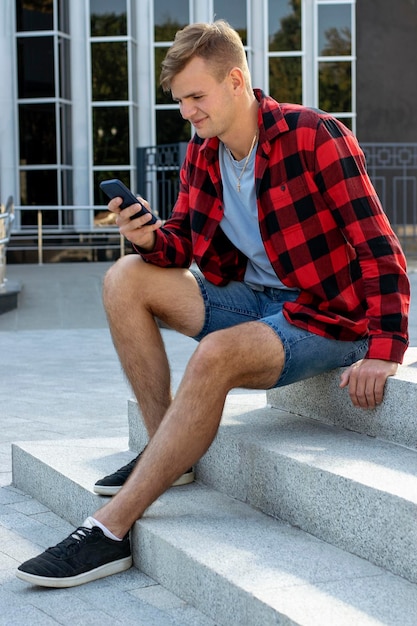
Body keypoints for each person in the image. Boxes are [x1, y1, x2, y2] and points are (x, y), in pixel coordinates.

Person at [17, 20, 409, 588]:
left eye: (195, 97)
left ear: (235, 81)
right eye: (179, 101)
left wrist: (385, 348)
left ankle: (108, 531)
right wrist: (148, 237)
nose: (188, 112)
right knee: (125, 277)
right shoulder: (204, 154)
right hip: (253, 300)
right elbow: (183, 243)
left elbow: (380, 246)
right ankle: (166, 452)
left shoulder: (316, 135)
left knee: (217, 354)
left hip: (325, 314)